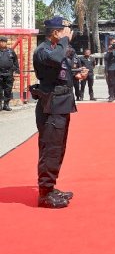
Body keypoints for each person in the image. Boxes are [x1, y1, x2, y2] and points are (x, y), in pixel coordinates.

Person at [31, 16, 89, 208]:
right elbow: (55, 60)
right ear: (55, 32)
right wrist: (65, 40)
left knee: (58, 148)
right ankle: (45, 194)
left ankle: (51, 186)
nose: (68, 33)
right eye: (65, 30)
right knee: (51, 149)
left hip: (62, 104)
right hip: (51, 106)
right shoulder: (44, 50)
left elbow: (60, 72)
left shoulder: (58, 49)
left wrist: (76, 75)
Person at [0, 36, 20, 111]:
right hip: (0, 74)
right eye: (1, 41)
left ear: (6, 42)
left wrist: (17, 69)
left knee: (8, 90)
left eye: (4, 41)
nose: (2, 43)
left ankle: (6, 105)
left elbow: (15, 60)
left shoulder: (10, 51)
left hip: (9, 74)